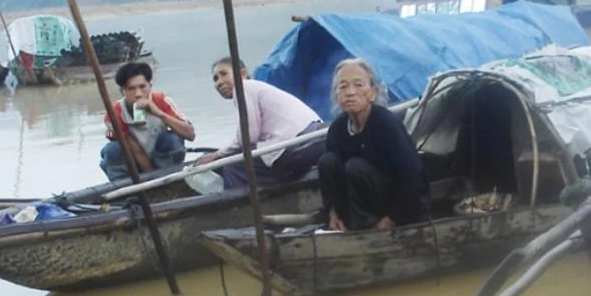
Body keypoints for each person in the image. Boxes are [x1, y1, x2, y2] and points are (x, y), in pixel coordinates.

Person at [318, 58, 428, 231]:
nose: (350, 92)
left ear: (373, 93)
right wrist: (333, 213)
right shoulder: (337, 129)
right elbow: (331, 177)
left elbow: (412, 175)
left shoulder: (385, 124)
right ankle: (343, 223)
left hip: (394, 207)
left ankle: (366, 226)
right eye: (343, 86)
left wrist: (392, 219)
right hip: (360, 203)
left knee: (355, 167)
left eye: (359, 85)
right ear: (337, 95)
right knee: (327, 161)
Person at [195, 58, 326, 188]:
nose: (219, 82)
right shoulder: (257, 87)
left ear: (242, 74)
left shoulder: (243, 87)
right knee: (247, 159)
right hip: (313, 134)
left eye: (224, 74)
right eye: (215, 79)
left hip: (294, 146)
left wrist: (218, 155)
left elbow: (248, 136)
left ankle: (239, 206)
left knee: (233, 166)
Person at [100, 62, 195, 182]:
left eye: (142, 87)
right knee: (112, 149)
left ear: (150, 86)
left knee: (172, 139)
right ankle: (124, 187)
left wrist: (159, 113)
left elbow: (190, 134)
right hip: (135, 164)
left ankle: (171, 179)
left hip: (163, 157)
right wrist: (150, 178)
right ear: (122, 91)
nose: (138, 94)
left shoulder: (162, 101)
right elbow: (136, 150)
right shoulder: (114, 113)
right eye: (131, 89)